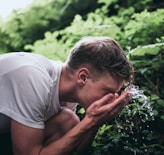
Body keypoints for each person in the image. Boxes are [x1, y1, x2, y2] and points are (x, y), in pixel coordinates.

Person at [0, 36, 134, 155]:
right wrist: (90, 121)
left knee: (68, 122)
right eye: (108, 91)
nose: (112, 98)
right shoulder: (33, 78)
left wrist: (95, 124)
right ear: (83, 77)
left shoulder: (68, 92)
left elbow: (77, 148)